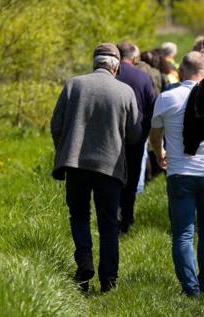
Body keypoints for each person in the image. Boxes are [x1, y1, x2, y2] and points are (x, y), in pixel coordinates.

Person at [50, 43, 141, 293]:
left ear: (94, 63)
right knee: (109, 223)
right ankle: (108, 279)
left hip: (75, 164)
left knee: (79, 214)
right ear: (116, 67)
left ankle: (85, 260)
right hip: (109, 168)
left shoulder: (74, 85)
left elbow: (56, 125)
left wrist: (65, 148)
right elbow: (134, 134)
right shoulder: (125, 92)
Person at [149, 51, 204, 296]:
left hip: (180, 173)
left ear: (180, 71)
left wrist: (161, 153)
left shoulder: (166, 98)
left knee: (183, 233)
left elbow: (154, 136)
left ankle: (190, 290)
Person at [116, 42, 156, 234]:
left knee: (112, 177)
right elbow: (152, 106)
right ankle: (127, 219)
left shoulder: (111, 74)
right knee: (131, 179)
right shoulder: (143, 77)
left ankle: (113, 214)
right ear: (133, 58)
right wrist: (145, 131)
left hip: (110, 137)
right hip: (136, 136)